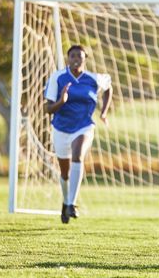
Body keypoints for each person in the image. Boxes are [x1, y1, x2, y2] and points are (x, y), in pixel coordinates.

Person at [44, 45, 112, 224]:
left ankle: (72, 204)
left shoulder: (92, 79)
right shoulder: (57, 77)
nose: (76, 59)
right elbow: (47, 108)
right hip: (61, 128)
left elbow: (108, 87)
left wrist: (103, 112)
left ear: (85, 59)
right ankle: (65, 203)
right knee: (64, 173)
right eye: (72, 55)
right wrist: (62, 101)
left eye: (79, 56)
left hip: (84, 126)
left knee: (78, 156)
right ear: (68, 58)